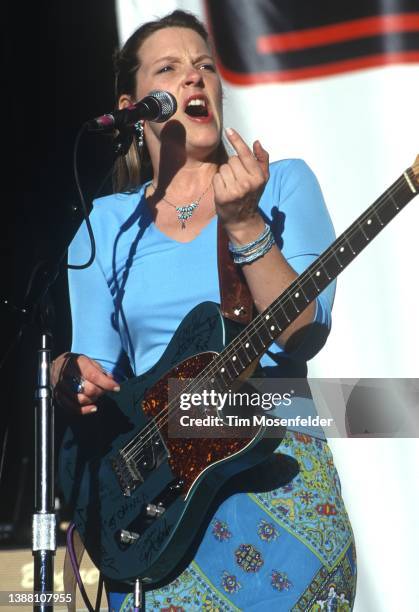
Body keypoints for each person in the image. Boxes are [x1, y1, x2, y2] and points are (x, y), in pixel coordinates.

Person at [52, 10, 356, 611]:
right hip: (161, 512)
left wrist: (244, 222)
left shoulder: (284, 184)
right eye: (169, 69)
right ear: (134, 108)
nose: (194, 79)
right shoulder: (105, 226)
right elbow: (103, 384)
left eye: (205, 67)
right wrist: (67, 373)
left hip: (276, 482)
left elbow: (303, 331)